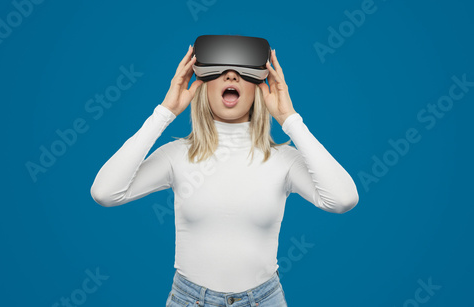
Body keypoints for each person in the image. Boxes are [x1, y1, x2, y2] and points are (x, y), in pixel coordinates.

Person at [90, 44, 359, 306]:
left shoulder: (283, 161)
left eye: (243, 70)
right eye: (219, 70)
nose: (231, 75)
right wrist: (165, 113)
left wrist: (289, 118)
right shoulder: (177, 155)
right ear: (202, 83)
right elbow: (105, 192)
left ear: (259, 85)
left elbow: (343, 199)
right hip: (189, 300)